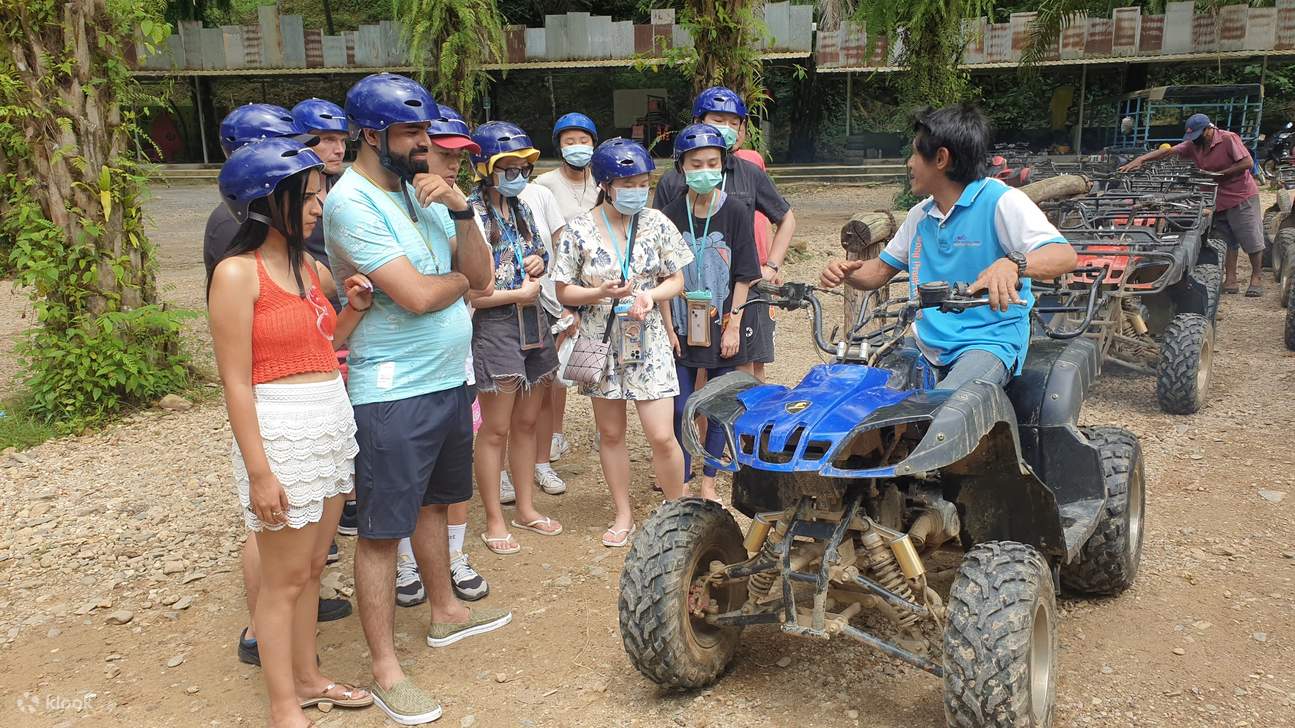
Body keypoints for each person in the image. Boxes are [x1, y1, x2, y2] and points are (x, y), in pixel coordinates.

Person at [324, 73, 507, 726]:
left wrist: (460, 207)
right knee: (379, 533)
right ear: (370, 135)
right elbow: (419, 295)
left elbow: (482, 277)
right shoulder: (351, 203)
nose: (424, 143)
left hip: (445, 381)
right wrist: (458, 281)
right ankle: (384, 671)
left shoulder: (428, 189)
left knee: (435, 503)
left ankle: (447, 612)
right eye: (410, 132)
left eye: (427, 131)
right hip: (391, 392)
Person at [208, 137, 376, 727]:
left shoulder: (309, 268)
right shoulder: (235, 274)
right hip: (280, 432)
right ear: (266, 201)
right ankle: (283, 704)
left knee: (309, 570)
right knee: (281, 581)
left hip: (329, 424)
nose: (319, 205)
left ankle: (308, 678)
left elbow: (321, 349)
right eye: (308, 195)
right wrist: (259, 473)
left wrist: (351, 309)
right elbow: (236, 383)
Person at [820, 104, 1078, 390]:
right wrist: (846, 272)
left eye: (916, 153)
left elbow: (1064, 255)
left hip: (986, 342)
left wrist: (1012, 263)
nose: (909, 163)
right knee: (862, 395)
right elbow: (879, 270)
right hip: (924, 343)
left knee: (946, 410)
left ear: (941, 158)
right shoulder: (921, 215)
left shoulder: (1001, 201)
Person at [552, 138, 692, 547]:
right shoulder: (579, 229)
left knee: (662, 435)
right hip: (600, 341)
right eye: (628, 182)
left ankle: (676, 511)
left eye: (643, 181)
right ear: (607, 184)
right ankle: (622, 513)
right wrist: (599, 294)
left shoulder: (657, 223)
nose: (637, 189)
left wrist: (652, 296)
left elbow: (677, 278)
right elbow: (562, 290)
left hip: (647, 338)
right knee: (610, 434)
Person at [465, 121, 563, 555]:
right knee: (496, 427)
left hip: (533, 318)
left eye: (522, 165)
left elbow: (535, 252)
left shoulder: (520, 207)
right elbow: (468, 289)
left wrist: (539, 263)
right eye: (507, 166)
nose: (516, 173)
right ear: (485, 167)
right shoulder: (469, 213)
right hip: (495, 324)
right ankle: (494, 518)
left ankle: (525, 508)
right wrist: (513, 292)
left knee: (527, 421)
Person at [652, 87, 796, 381]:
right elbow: (659, 236)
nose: (727, 128)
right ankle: (697, 429)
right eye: (718, 120)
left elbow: (786, 218)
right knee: (695, 370)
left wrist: (771, 266)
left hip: (743, 289)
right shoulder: (672, 180)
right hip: (688, 294)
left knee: (746, 368)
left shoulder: (749, 172)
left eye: (734, 122)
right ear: (698, 121)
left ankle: (743, 428)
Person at [660, 124, 762, 501]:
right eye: (696, 163)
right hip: (682, 326)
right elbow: (662, 277)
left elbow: (744, 274)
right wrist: (669, 329)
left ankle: (709, 483)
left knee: (719, 408)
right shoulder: (668, 214)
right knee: (679, 408)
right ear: (682, 167)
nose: (705, 169)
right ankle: (681, 483)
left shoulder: (735, 211)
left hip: (723, 325)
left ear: (723, 165)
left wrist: (734, 324)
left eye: (712, 162)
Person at [1119, 113, 1266, 296]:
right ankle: (1230, 279)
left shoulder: (1228, 139)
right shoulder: (1193, 145)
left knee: (1251, 237)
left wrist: (1220, 174)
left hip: (1240, 195)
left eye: (1198, 135)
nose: (1194, 141)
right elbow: (1168, 151)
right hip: (1215, 197)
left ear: (1208, 129)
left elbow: (1247, 162)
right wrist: (1141, 159)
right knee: (1226, 239)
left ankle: (1256, 277)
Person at [534, 112, 601, 463]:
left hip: (599, 281)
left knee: (601, 355)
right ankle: (555, 433)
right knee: (556, 366)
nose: (577, 147)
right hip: (559, 282)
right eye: (569, 141)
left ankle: (604, 429)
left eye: (584, 140)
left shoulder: (605, 181)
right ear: (559, 145)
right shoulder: (544, 184)